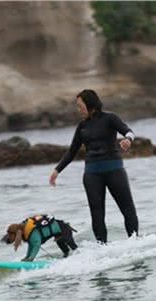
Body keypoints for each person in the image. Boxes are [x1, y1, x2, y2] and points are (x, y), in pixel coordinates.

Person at [49, 89, 139, 244]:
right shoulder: (82, 126)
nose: (78, 110)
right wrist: (57, 170)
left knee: (127, 209)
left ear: (90, 104)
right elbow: (72, 150)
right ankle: (101, 247)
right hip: (92, 175)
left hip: (114, 171)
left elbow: (129, 132)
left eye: (80, 106)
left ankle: (135, 241)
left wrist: (128, 140)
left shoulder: (110, 118)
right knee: (97, 214)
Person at [1, 215, 78, 261]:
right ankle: (67, 259)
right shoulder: (27, 232)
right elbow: (31, 245)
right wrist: (27, 257)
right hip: (59, 230)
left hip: (64, 228)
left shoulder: (31, 231)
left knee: (73, 247)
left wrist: (31, 258)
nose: (9, 236)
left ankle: (79, 257)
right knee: (64, 249)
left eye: (11, 234)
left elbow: (36, 244)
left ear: (17, 232)